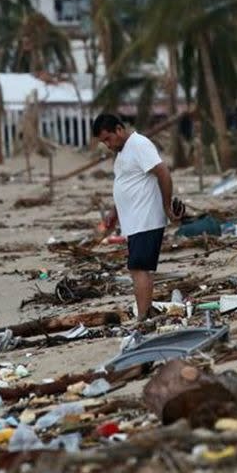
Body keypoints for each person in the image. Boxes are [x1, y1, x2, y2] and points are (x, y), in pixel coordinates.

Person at [92, 113, 178, 324]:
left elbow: (163, 173)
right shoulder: (123, 154)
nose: (107, 145)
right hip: (135, 221)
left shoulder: (139, 144)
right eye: (103, 141)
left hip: (146, 218)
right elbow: (127, 184)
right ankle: (145, 314)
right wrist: (115, 212)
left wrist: (167, 206)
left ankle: (143, 318)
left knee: (139, 268)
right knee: (138, 268)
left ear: (119, 130)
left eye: (107, 139)